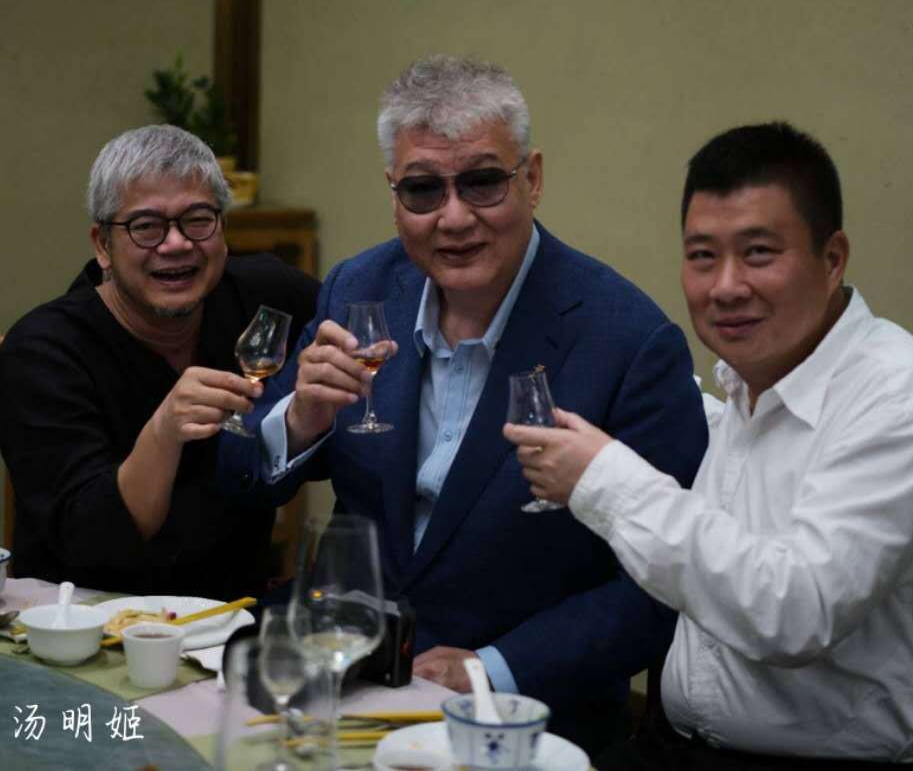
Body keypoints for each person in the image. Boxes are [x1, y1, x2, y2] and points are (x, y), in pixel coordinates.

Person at [215, 55, 709, 752]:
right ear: (394, 194)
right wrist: (302, 419)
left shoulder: (627, 341)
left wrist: (489, 669)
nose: (454, 217)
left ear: (532, 179)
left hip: (522, 715)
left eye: (482, 182)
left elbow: (661, 586)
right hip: (344, 677)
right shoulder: (361, 289)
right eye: (423, 189)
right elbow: (236, 472)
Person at [505, 122, 913, 768]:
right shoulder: (747, 384)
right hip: (676, 745)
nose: (726, 286)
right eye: (702, 256)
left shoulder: (898, 403)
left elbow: (795, 611)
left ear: (832, 258)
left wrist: (601, 478)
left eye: (759, 252)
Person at [0, 125, 318, 601]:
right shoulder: (45, 350)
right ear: (102, 245)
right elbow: (92, 541)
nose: (176, 243)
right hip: (86, 617)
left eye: (198, 219)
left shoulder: (269, 296)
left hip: (235, 614)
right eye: (146, 227)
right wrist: (164, 431)